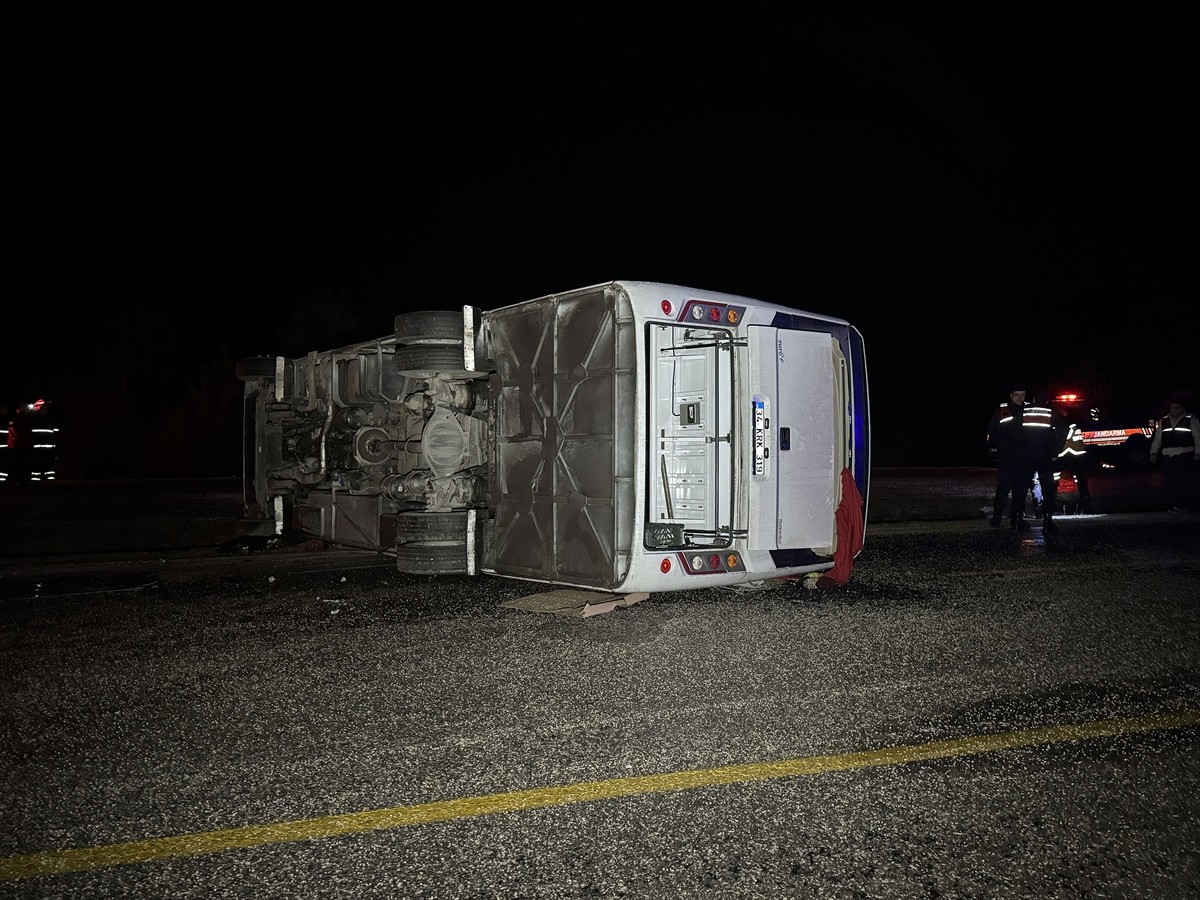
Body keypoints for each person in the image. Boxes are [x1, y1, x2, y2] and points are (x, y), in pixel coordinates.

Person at [987, 385, 1031, 528]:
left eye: (1022, 395)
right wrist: (1001, 445)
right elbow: (992, 430)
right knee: (1004, 488)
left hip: (1024, 456)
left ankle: (1017, 518)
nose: (1020, 398)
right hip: (1008, 456)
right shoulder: (1003, 410)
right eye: (1017, 395)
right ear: (1011, 395)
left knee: (1021, 489)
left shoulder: (1029, 410)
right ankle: (997, 517)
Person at [1149, 399, 1200, 511]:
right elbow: (1158, 438)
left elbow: (1197, 437)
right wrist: (1153, 452)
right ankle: (1174, 504)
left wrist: (1197, 452)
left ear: (1182, 408)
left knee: (1183, 481)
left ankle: (1183, 504)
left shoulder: (1190, 420)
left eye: (1176, 408)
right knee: (1171, 481)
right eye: (1172, 408)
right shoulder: (1164, 421)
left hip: (1185, 454)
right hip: (1168, 455)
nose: (1174, 410)